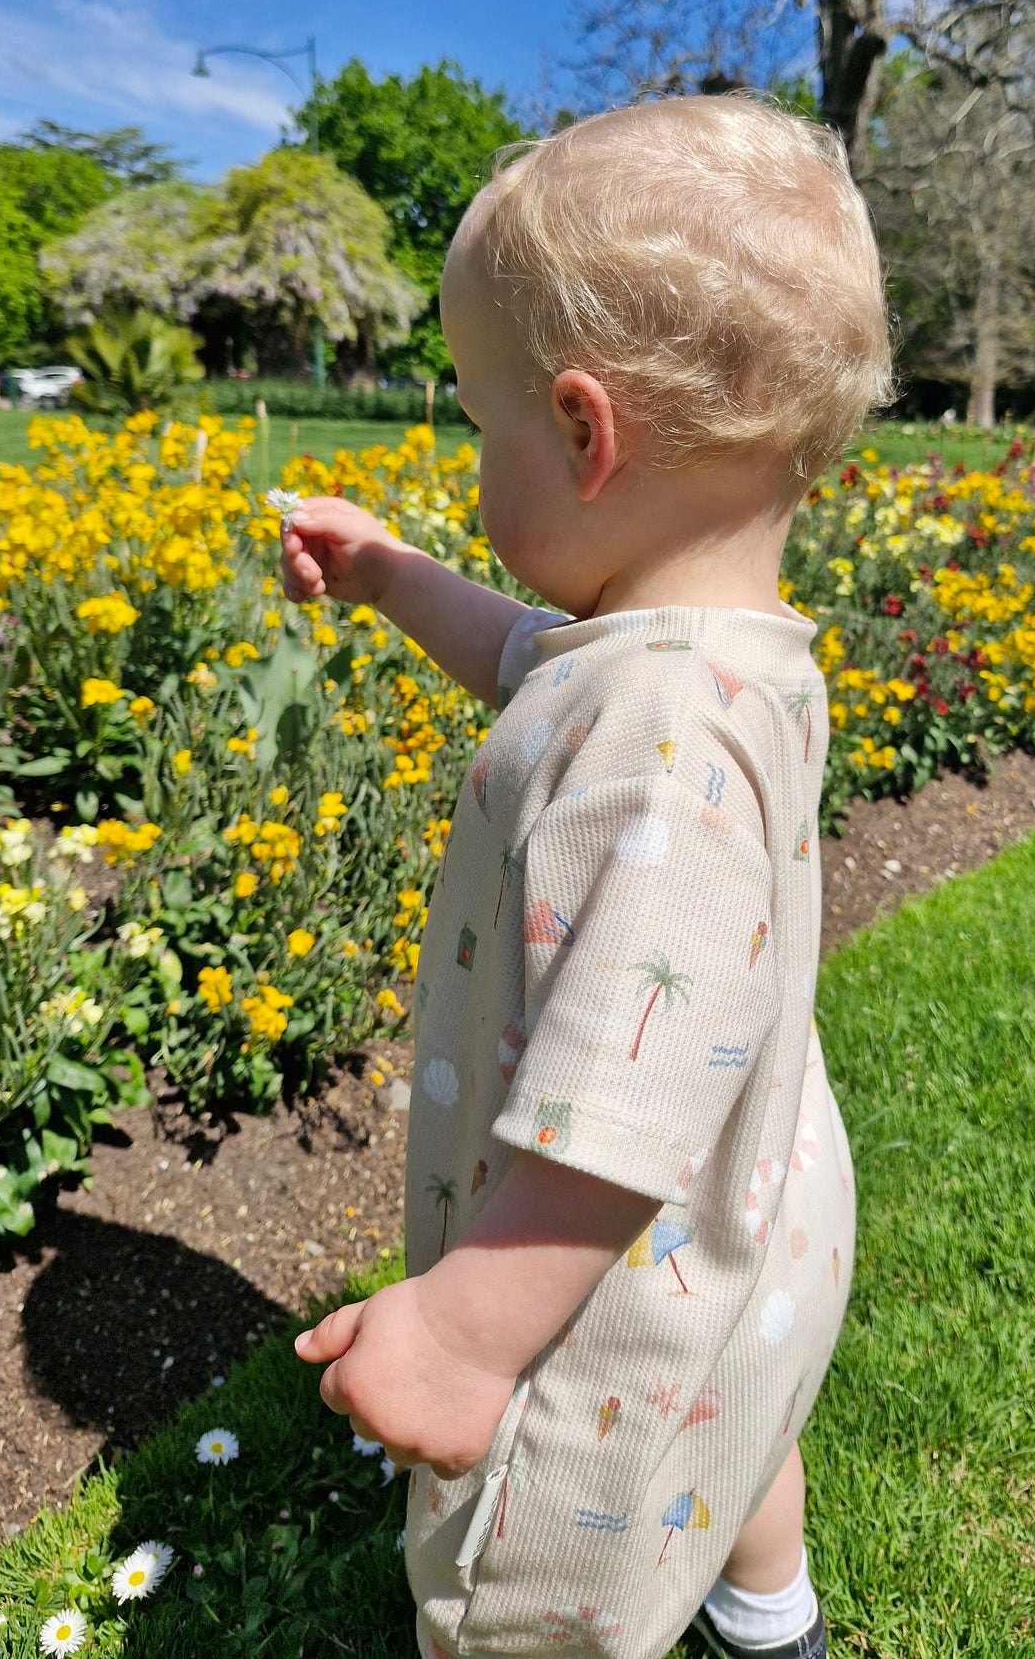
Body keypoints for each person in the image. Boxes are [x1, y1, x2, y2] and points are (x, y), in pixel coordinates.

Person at [283, 94, 893, 1659]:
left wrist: (467, 1336)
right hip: (757, 1208)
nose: (477, 452)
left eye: (481, 423)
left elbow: (614, 1109)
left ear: (579, 431)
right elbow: (530, 661)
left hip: (618, 1283)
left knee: (535, 1576)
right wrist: (391, 574)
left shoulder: (661, 735)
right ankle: (769, 1618)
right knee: (736, 1410)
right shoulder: (712, 655)